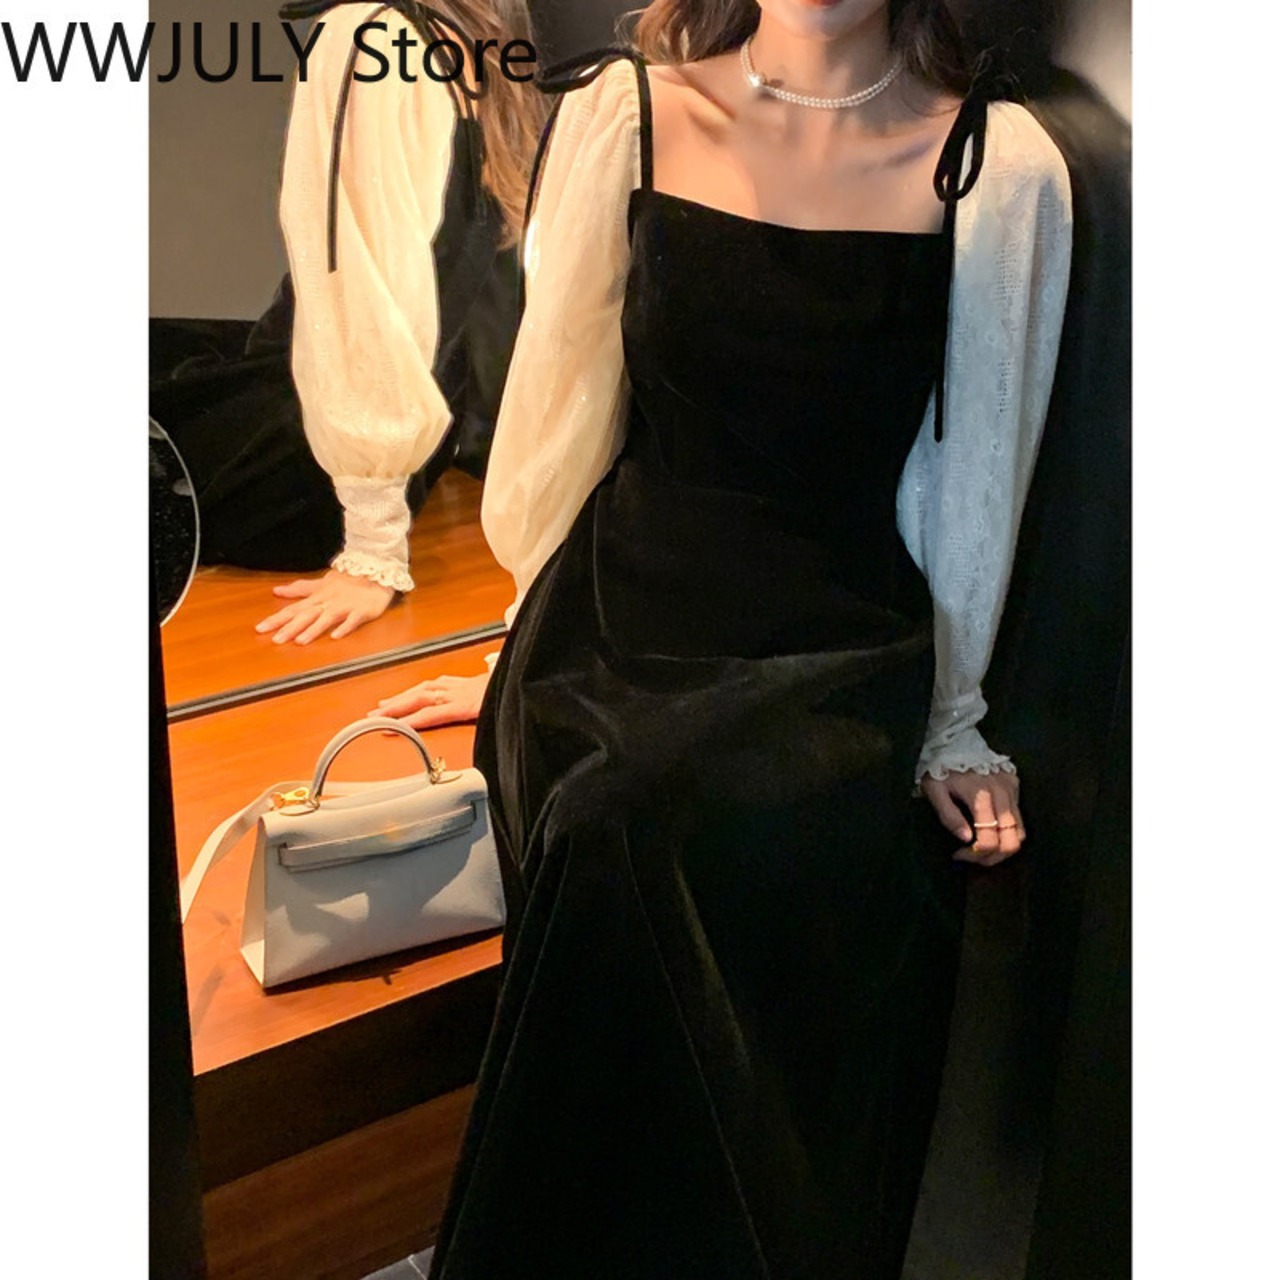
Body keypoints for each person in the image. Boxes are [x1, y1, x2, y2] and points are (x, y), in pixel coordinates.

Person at [382, 1, 1072, 1275]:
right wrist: (513, 638)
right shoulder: (629, 114)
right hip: (616, 610)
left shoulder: (995, 163)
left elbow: (979, 470)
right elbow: (557, 426)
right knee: (613, 811)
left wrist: (954, 716)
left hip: (838, 634)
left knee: (750, 840)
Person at [150, 0, 544, 644]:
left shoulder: (366, 35)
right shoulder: (477, 42)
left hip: (307, 466)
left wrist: (372, 546)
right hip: (400, 452)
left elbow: (360, 289)